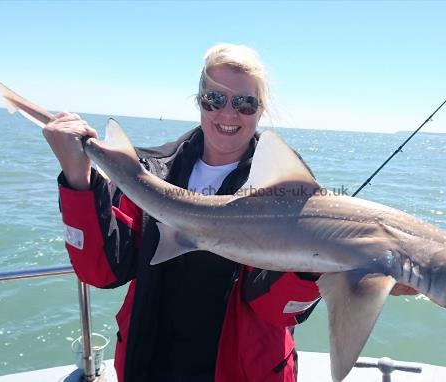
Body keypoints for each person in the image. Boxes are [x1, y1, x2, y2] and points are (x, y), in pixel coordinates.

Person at [42, 43, 322, 382]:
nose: (228, 114)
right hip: (151, 362)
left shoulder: (287, 191)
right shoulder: (150, 172)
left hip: (243, 370)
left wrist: (313, 268)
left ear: (260, 111)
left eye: (245, 103)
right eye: (215, 99)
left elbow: (276, 310)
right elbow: (102, 271)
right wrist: (77, 176)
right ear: (199, 101)